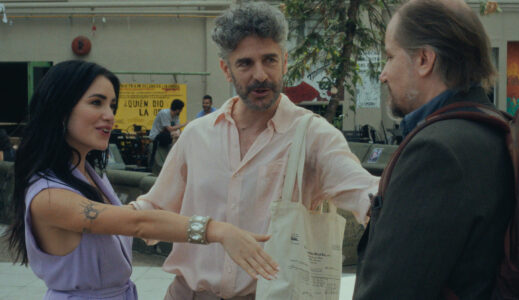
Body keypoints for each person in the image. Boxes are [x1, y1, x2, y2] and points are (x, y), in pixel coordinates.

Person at [130, 2, 379, 299]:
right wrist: (88, 216)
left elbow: (369, 197)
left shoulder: (313, 135)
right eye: (246, 63)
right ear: (226, 69)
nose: (260, 74)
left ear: (285, 62)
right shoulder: (197, 135)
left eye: (270, 60)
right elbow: (152, 211)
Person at [4, 60, 278, 300]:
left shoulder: (88, 174)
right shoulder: (49, 196)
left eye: (112, 105)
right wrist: (218, 231)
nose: (109, 115)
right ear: (60, 109)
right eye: (96, 102)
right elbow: (137, 223)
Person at [353, 0, 514, 299]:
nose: (383, 74)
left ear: (424, 60)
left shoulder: (435, 152)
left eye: (389, 56)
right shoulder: (499, 131)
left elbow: (391, 290)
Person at [148, 99, 187, 174]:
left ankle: (176, 154)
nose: (181, 112)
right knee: (174, 134)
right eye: (180, 110)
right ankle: (173, 154)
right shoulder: (164, 113)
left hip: (166, 135)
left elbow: (177, 128)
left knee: (178, 134)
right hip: (157, 136)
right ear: (178, 109)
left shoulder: (176, 116)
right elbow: (169, 128)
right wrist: (184, 124)